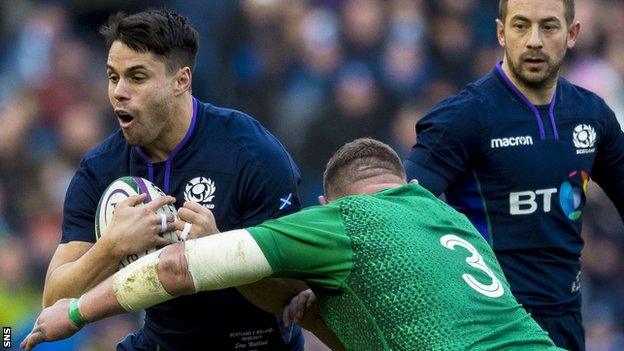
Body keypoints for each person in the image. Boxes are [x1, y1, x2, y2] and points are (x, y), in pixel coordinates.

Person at [23, 138, 565, 351]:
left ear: (328, 205)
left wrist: (75, 312)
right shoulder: (451, 221)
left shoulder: (346, 221)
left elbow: (176, 269)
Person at [40, 8, 305, 351]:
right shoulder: (100, 168)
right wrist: (112, 246)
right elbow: (55, 300)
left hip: (253, 343)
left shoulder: (251, 152)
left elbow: (295, 294)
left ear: (181, 80)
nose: (119, 92)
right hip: (161, 343)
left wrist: (223, 252)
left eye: (136, 77)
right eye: (112, 76)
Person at [403, 1, 624, 350]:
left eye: (549, 27)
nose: (534, 40)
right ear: (501, 33)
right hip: (489, 326)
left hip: (566, 322)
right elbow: (396, 209)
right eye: (521, 26)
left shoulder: (591, 115)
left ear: (573, 34)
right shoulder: (464, 116)